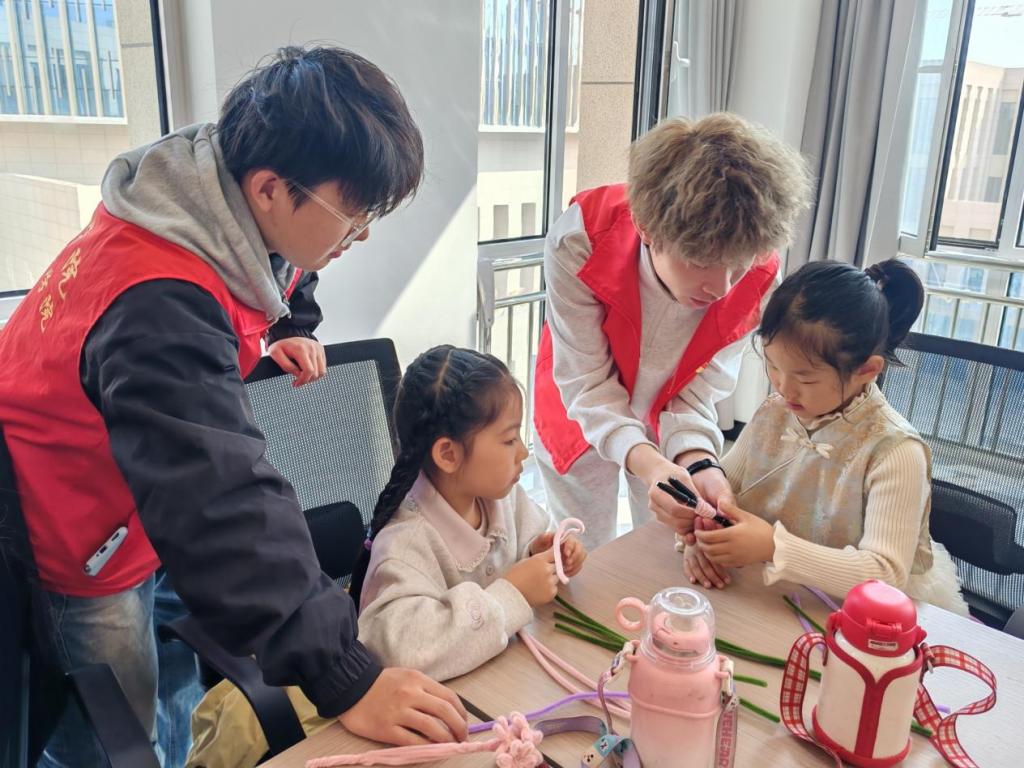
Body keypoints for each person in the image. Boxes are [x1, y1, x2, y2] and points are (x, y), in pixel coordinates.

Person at [0, 45, 467, 767]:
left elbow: (286, 271)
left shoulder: (206, 191)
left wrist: (287, 326)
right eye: (351, 214)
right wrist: (344, 677)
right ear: (271, 189)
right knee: (120, 732)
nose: (360, 234)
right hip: (73, 524)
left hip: (132, 501)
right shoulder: (158, 306)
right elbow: (222, 501)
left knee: (174, 684)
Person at [532, 112, 811, 550]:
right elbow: (586, 382)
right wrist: (648, 464)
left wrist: (701, 465)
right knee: (585, 551)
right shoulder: (582, 239)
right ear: (646, 229)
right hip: (576, 410)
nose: (722, 288)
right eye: (700, 262)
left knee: (669, 548)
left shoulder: (759, 275)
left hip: (664, 426)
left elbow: (697, 393)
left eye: (738, 266)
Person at [686, 259, 968, 615]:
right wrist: (704, 532)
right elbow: (723, 489)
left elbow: (886, 573)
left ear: (867, 370)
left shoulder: (895, 451)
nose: (783, 388)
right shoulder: (776, 411)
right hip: (772, 596)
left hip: (859, 615)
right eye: (772, 365)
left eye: (806, 378)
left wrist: (773, 547)